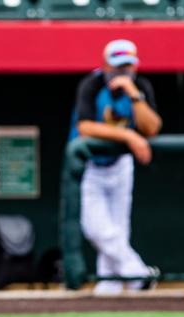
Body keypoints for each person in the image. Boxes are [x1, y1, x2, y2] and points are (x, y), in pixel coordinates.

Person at [68, 39, 162, 294]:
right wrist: (129, 137)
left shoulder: (139, 87)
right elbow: (85, 127)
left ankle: (108, 287)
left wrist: (134, 94)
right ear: (105, 65)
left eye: (128, 66)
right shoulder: (92, 84)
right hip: (89, 166)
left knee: (119, 230)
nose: (123, 72)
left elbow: (151, 128)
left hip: (120, 166)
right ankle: (139, 274)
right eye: (118, 67)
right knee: (96, 228)